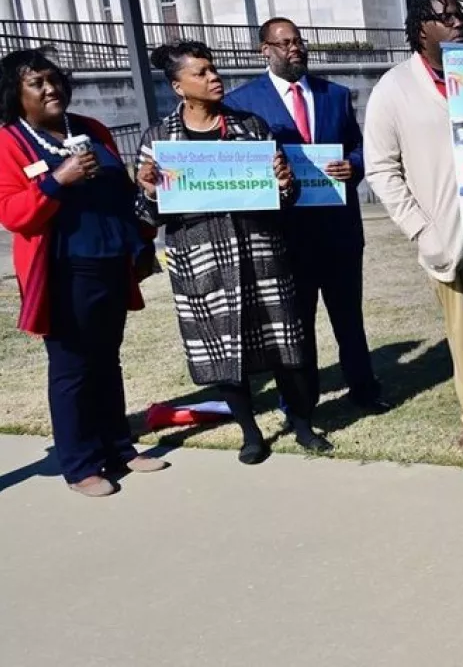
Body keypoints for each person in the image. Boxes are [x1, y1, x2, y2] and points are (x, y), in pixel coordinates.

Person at [134, 40, 331, 462]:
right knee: (222, 349)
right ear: (178, 86)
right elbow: (147, 216)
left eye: (213, 69)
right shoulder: (159, 139)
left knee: (286, 345)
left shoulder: (250, 128)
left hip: (260, 254)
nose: (213, 77)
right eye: (201, 73)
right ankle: (250, 432)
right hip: (202, 259)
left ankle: (300, 422)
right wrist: (150, 191)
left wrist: (283, 181)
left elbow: (288, 197)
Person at [0, 49, 165, 497]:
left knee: (107, 360)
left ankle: (118, 448)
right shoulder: (10, 143)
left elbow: (120, 192)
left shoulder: (92, 129)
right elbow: (14, 214)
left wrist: (144, 186)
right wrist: (57, 179)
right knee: (72, 368)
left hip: (111, 263)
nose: (51, 88)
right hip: (62, 271)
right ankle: (79, 463)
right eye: (37, 83)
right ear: (17, 95)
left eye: (54, 79)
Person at [225, 17, 386, 413]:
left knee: (349, 318)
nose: (295, 48)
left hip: (338, 228)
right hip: (285, 232)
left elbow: (360, 146)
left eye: (298, 41)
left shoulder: (334, 95)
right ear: (264, 50)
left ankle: (364, 391)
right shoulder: (242, 102)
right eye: (284, 43)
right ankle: (301, 401)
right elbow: (237, 165)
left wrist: (354, 165)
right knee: (296, 323)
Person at [365, 0, 463, 446]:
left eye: (460, 15)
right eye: (445, 17)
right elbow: (381, 168)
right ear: (420, 28)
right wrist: (419, 229)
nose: (457, 23)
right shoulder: (394, 89)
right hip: (445, 233)